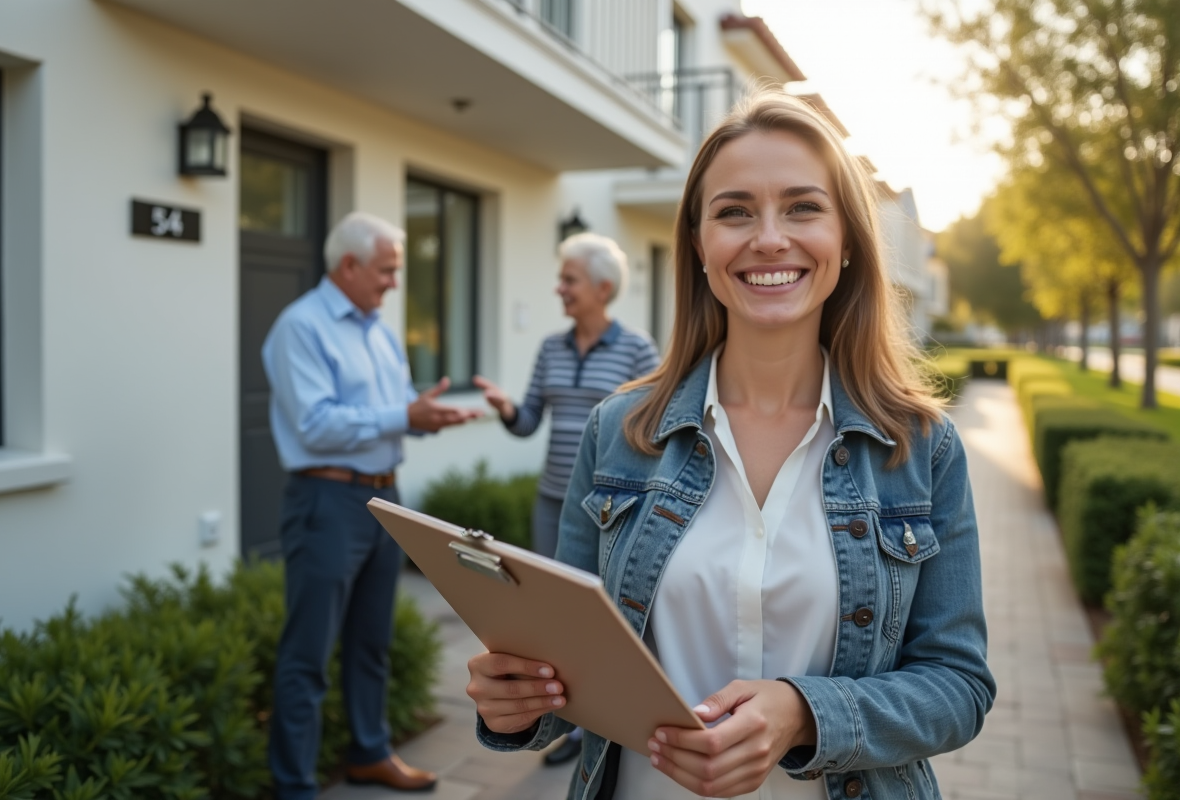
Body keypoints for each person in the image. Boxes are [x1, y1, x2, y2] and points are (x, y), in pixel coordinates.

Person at [465, 90, 996, 800]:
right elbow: (568, 668)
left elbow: (958, 685)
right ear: (700, 246)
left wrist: (806, 714)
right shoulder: (619, 432)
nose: (768, 237)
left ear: (845, 243)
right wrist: (517, 705)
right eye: (735, 211)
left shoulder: (923, 448)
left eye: (803, 207)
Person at [263, 212, 482, 799]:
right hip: (327, 498)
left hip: (385, 497)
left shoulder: (380, 330)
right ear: (349, 265)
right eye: (386, 271)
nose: (393, 283)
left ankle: (368, 752)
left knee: (370, 640)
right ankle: (294, 785)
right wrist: (403, 416)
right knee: (307, 651)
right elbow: (315, 425)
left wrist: (427, 417)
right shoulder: (300, 328)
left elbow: (391, 411)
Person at [472, 232, 660, 766]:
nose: (560, 289)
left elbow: (658, 427)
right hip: (552, 501)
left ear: (603, 287)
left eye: (569, 280)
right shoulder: (551, 348)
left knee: (600, 617)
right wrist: (507, 408)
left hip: (611, 513)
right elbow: (529, 421)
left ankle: (598, 723)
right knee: (551, 618)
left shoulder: (637, 349)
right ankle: (567, 721)